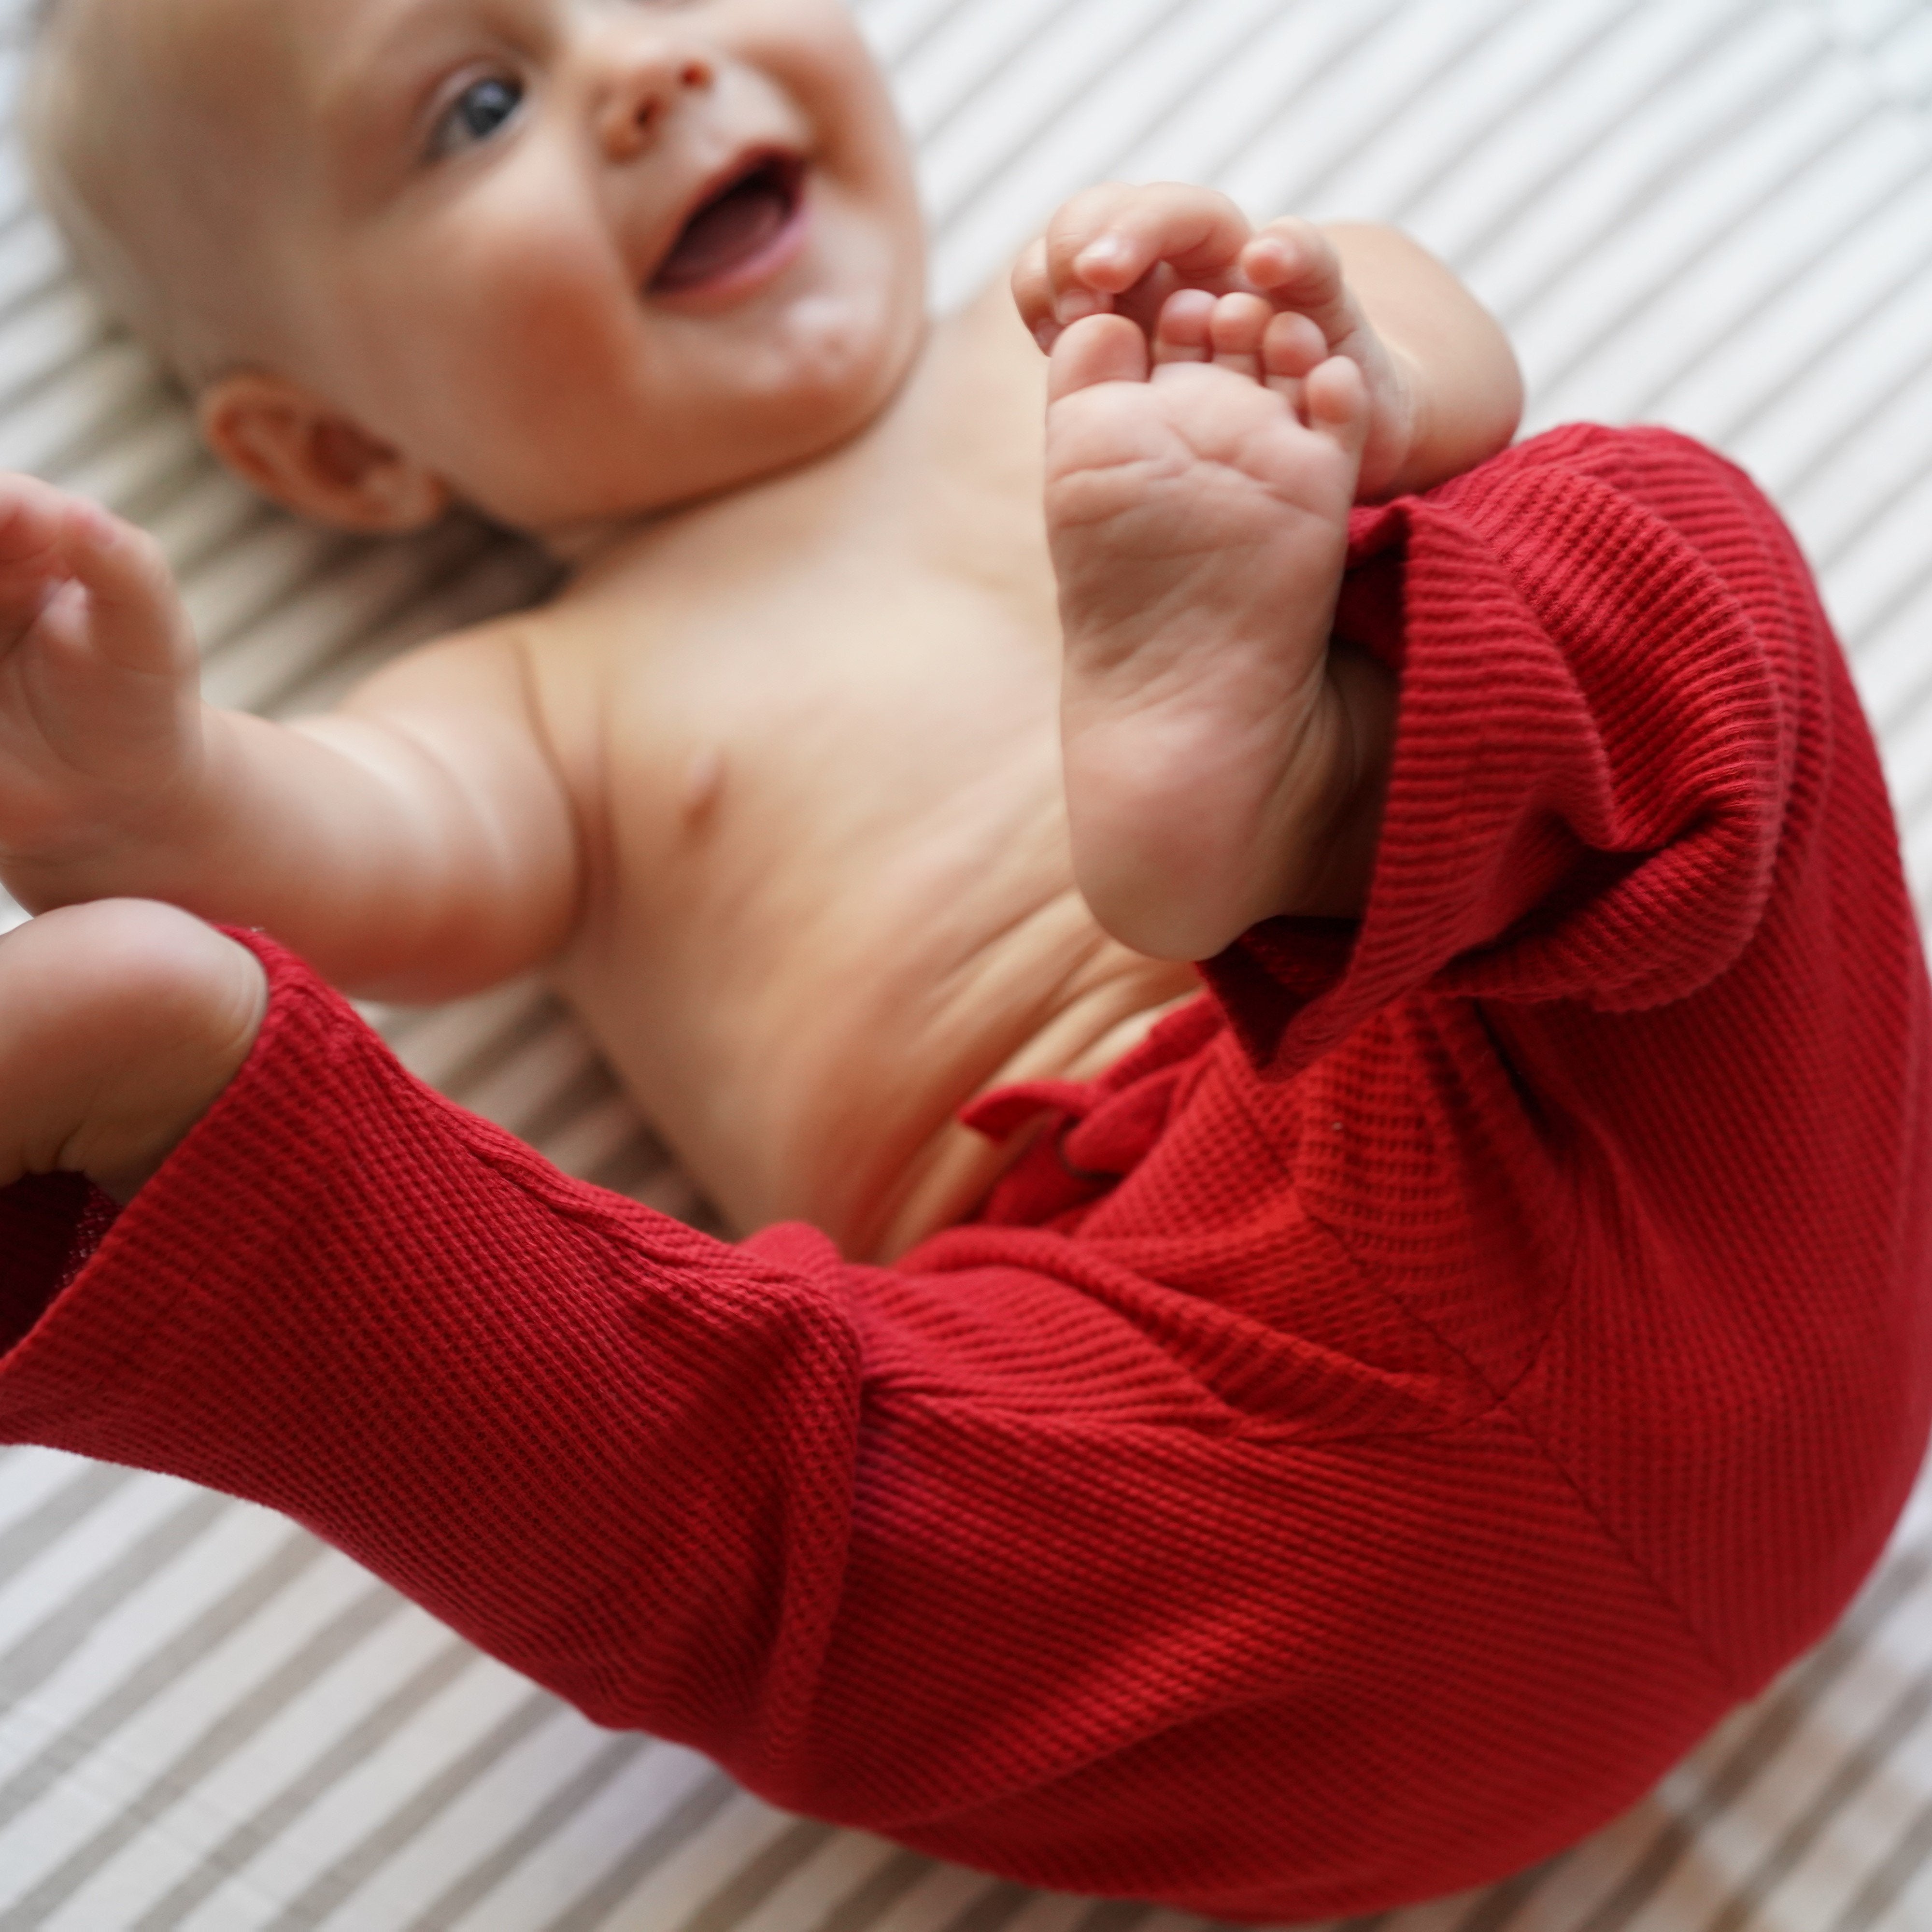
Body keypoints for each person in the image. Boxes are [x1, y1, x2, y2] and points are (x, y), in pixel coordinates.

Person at [0, 0, 1927, 1920]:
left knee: (1646, 542)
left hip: (1558, 1100)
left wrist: (1347, 366)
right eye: (479, 106)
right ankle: (182, 1138)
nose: (646, 69)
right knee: (777, 1514)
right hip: (1137, 1442)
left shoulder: (1105, 361)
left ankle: (1316, 790)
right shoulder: (528, 704)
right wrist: (146, 787)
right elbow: (326, 852)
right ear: (339, 450)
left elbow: (1426, 327)